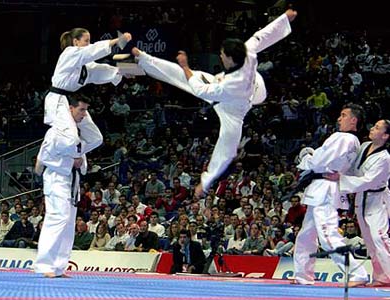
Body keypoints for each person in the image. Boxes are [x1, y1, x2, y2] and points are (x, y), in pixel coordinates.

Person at [132, 9, 297, 197]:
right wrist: (285, 19)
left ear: (230, 58)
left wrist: (185, 66)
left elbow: (199, 89)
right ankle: (145, 59)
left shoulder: (229, 86)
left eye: (222, 54)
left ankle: (206, 181)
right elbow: (263, 36)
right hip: (252, 85)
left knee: (226, 146)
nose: (220, 56)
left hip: (234, 108)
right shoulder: (246, 51)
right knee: (188, 76)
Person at [292, 103, 368, 286]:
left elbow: (319, 160)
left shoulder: (343, 137)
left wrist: (305, 158)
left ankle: (357, 273)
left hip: (325, 189)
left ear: (353, 120)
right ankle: (303, 274)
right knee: (306, 235)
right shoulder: (352, 141)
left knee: (327, 235)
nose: (339, 118)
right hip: (323, 188)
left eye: (343, 115)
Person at [34, 95, 103, 278]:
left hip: (72, 182)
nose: (84, 114)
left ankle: (59, 266)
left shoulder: (76, 134)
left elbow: (89, 149)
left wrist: (78, 163)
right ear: (70, 109)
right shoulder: (55, 132)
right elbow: (44, 158)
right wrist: (70, 163)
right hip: (57, 178)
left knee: (68, 223)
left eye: (86, 110)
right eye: (81, 110)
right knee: (57, 219)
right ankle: (45, 264)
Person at [325, 119, 390, 287]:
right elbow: (353, 168)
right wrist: (339, 171)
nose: (372, 129)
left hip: (377, 200)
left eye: (377, 128)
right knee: (369, 240)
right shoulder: (364, 146)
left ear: (385, 135)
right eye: (373, 126)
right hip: (362, 199)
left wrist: (341, 179)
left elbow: (367, 180)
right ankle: (382, 277)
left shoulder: (384, 158)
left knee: (379, 237)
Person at [43, 27, 132, 127]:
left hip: (73, 100)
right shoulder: (69, 53)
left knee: (94, 138)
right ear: (76, 42)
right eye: (86, 41)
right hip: (58, 100)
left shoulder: (85, 64)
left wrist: (121, 71)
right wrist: (117, 40)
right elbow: (91, 50)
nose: (89, 44)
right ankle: (51, 142)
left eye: (89, 41)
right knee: (69, 136)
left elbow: (97, 70)